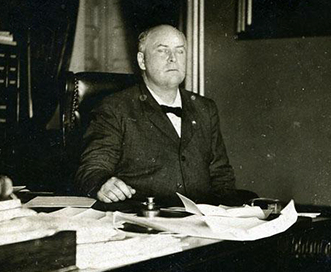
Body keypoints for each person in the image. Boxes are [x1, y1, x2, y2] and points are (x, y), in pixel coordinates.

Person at [75, 24, 246, 206]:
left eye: (179, 51)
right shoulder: (115, 108)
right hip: (144, 221)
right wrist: (102, 184)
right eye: (162, 51)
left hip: (202, 222)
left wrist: (229, 216)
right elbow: (93, 168)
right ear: (142, 61)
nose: (173, 59)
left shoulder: (206, 108)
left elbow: (221, 174)